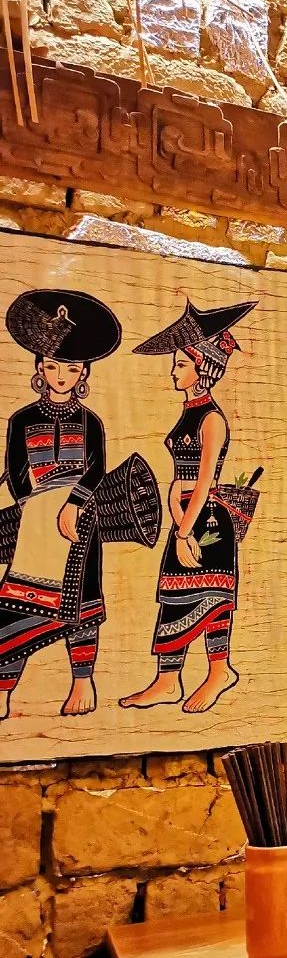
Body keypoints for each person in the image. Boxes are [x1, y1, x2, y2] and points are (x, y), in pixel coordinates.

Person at [120, 298, 256, 714]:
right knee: (174, 594)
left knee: (210, 593)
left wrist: (184, 532)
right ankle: (168, 680)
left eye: (181, 364)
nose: (173, 371)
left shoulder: (212, 419)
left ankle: (219, 671)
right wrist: (176, 517)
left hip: (208, 518)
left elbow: (205, 481)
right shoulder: (188, 413)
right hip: (186, 514)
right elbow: (179, 479)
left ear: (203, 369)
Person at [0, 289, 121, 720]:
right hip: (35, 520)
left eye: (71, 368)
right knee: (14, 601)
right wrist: (33, 507)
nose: (62, 376)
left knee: (81, 600)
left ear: (83, 371)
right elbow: (16, 471)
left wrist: (71, 503)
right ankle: (4, 688)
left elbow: (96, 468)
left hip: (80, 519)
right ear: (39, 367)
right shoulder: (22, 419)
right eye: (52, 366)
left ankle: (83, 681)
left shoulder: (90, 421)